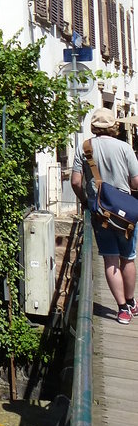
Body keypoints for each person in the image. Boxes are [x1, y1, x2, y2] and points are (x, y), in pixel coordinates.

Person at [71, 107, 138, 324]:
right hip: (125, 212)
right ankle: (131, 302)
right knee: (128, 258)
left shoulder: (84, 148)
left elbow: (75, 182)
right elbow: (136, 182)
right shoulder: (125, 148)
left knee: (110, 259)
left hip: (100, 212)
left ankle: (122, 309)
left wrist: (85, 200)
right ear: (113, 127)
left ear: (93, 127)